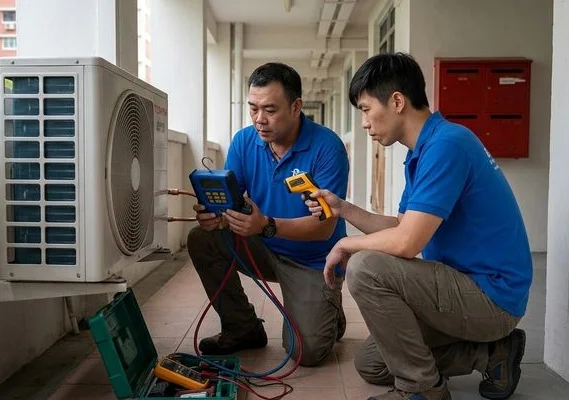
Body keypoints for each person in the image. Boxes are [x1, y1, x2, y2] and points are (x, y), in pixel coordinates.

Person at [305, 52, 532, 400]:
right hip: (461, 286)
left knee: (365, 268)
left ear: (397, 101)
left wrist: (346, 244)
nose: (364, 122)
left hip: (491, 297)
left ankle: (422, 391)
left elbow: (407, 243)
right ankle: (492, 354)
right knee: (372, 363)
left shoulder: (447, 146)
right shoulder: (424, 150)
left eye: (366, 109)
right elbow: (401, 225)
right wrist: (342, 209)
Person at [187, 62, 350, 367]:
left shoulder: (328, 148)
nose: (259, 120)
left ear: (296, 106)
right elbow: (234, 201)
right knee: (202, 238)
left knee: (307, 353)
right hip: (261, 247)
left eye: (270, 110)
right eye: (253, 109)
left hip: (314, 260)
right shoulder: (245, 141)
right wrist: (217, 216)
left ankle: (330, 313)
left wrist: (266, 225)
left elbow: (324, 228)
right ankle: (242, 328)